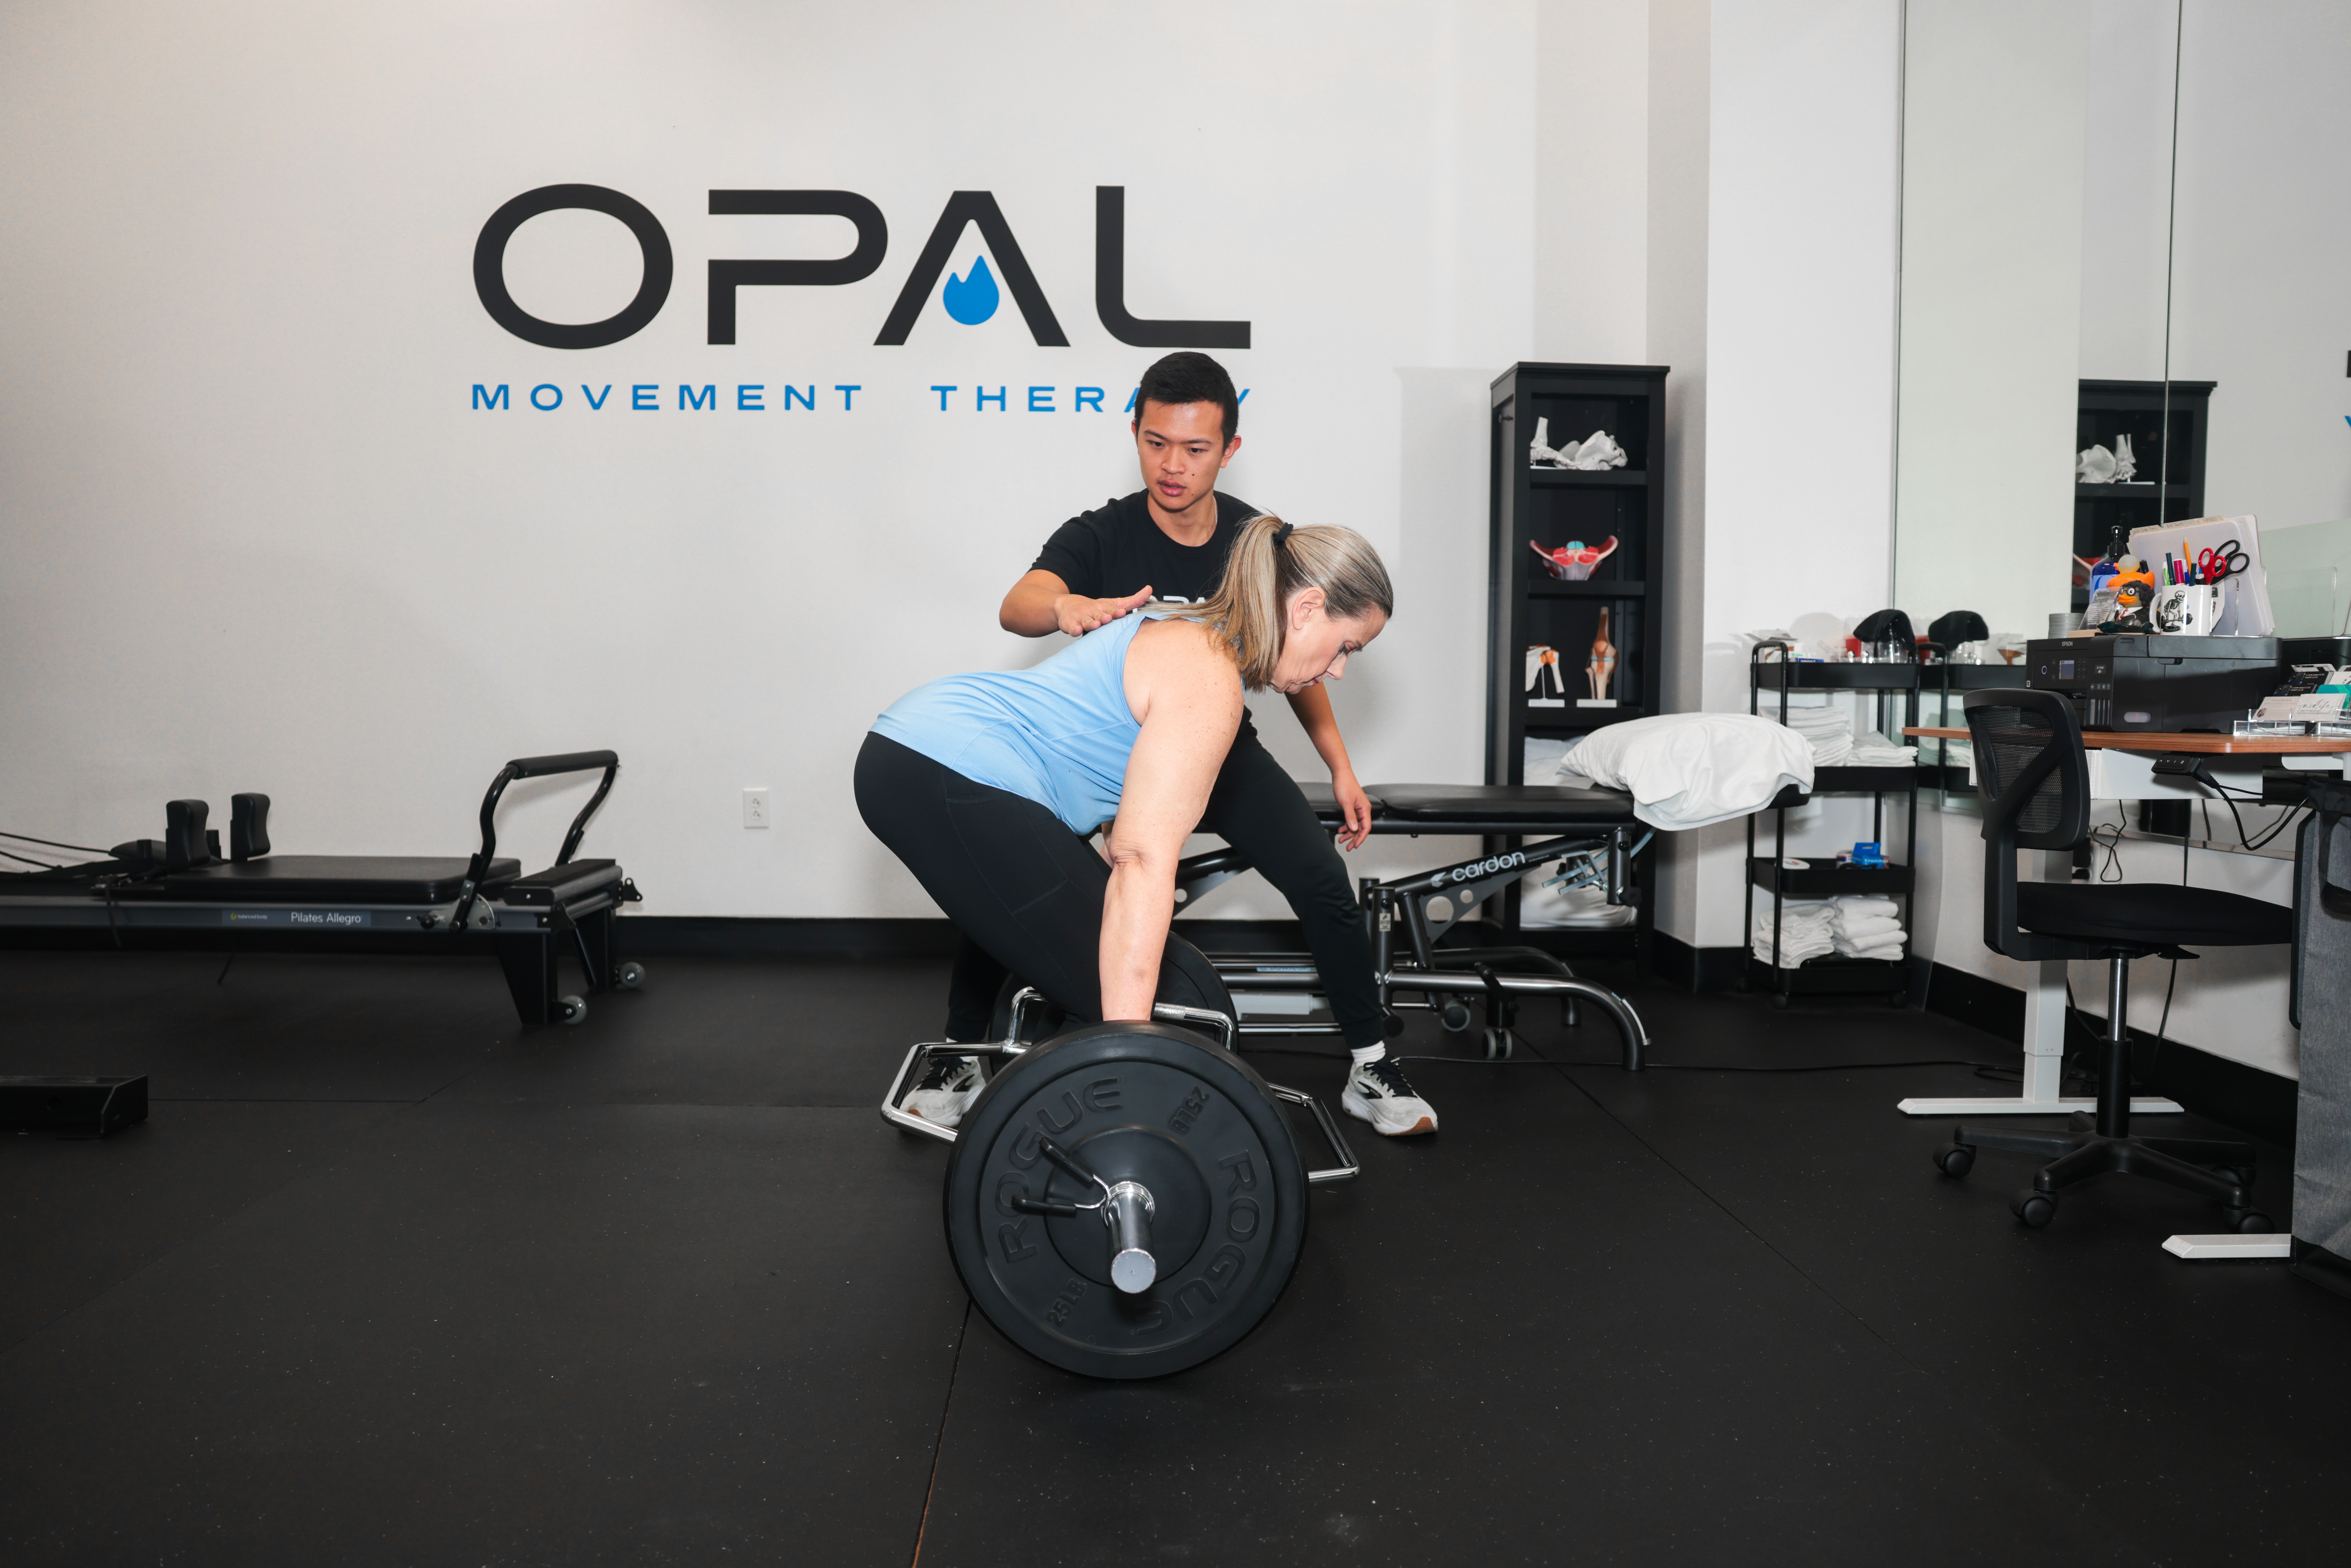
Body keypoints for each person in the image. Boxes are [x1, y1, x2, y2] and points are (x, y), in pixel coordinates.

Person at [936, 350, 1436, 1136]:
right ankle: (961, 1048)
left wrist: (1341, 767)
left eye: (1196, 449)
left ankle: (1372, 1062)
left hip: (1219, 749)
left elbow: (1304, 658)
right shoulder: (1103, 532)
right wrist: (1067, 606)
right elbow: (1018, 603)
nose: (1173, 465)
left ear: (1229, 449)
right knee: (1016, 879)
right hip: (1108, 755)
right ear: (1135, 433)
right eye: (1156, 443)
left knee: (1320, 878)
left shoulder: (1258, 542)